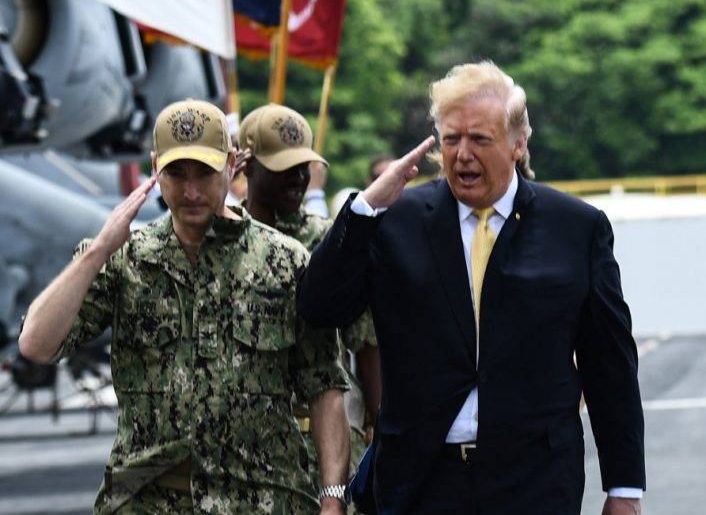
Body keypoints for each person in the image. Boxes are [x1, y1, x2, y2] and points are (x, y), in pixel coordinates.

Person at [297, 61, 645, 514]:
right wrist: (363, 209)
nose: (462, 154)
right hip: (421, 483)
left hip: (534, 483)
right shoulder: (396, 220)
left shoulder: (576, 229)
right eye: (451, 139)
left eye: (480, 139)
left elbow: (609, 365)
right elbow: (320, 307)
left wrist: (624, 489)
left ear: (519, 143)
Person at [18, 99, 350, 514]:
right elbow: (36, 345)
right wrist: (98, 251)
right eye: (176, 173)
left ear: (231, 164)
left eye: (205, 173)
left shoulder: (285, 261)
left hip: (263, 499)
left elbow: (325, 389)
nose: (191, 191)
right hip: (146, 500)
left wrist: (333, 498)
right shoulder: (126, 259)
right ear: (155, 167)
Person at [238, 103, 381, 510]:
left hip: (329, 439)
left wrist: (378, 431)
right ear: (246, 166)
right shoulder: (226, 240)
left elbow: (366, 343)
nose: (298, 178)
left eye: (303, 166)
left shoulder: (331, 241)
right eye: (283, 167)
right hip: (251, 447)